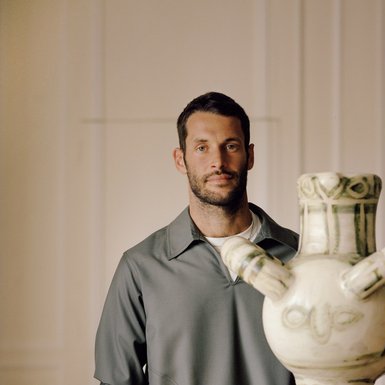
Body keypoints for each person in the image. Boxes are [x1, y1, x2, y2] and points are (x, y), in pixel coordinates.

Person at [94, 92, 299, 385]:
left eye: (231, 146)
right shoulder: (141, 267)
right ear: (181, 159)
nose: (218, 161)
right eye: (202, 147)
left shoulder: (302, 258)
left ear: (249, 155)